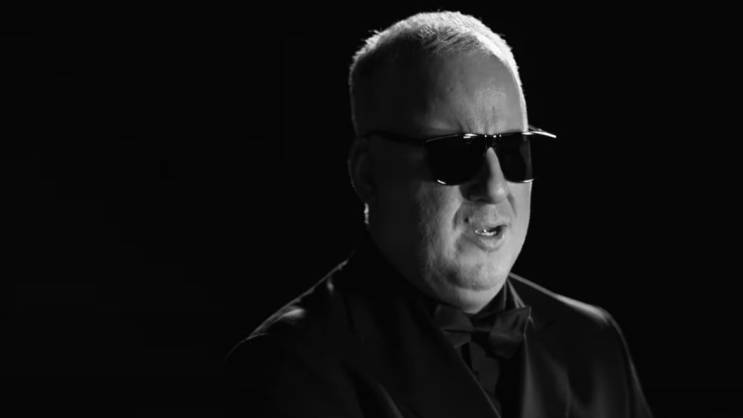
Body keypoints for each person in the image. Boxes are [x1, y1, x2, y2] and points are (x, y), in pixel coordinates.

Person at [226, 11, 653, 418]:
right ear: (368, 173)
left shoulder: (593, 342)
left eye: (513, 150)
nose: (495, 187)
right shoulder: (285, 368)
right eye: (456, 154)